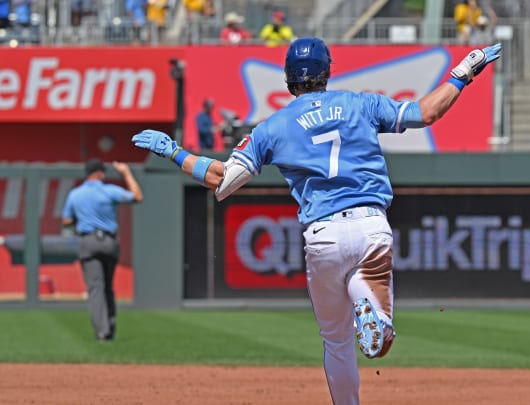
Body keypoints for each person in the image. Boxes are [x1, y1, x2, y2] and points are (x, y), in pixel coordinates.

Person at [132, 37, 502, 405]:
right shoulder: (361, 103)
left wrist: (174, 151)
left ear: (289, 78)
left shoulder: (271, 127)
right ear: (327, 71)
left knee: (336, 341)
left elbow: (221, 179)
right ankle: (373, 314)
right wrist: (461, 73)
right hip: (371, 223)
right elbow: (425, 114)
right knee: (369, 299)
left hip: (323, 233)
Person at [61, 159, 143, 342]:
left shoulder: (76, 194)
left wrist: (82, 219)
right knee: (107, 287)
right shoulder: (109, 190)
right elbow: (137, 196)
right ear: (100, 174)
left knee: (95, 288)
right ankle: (110, 328)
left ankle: (102, 331)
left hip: (88, 240)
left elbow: (66, 220)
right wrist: (127, 173)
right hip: (108, 241)